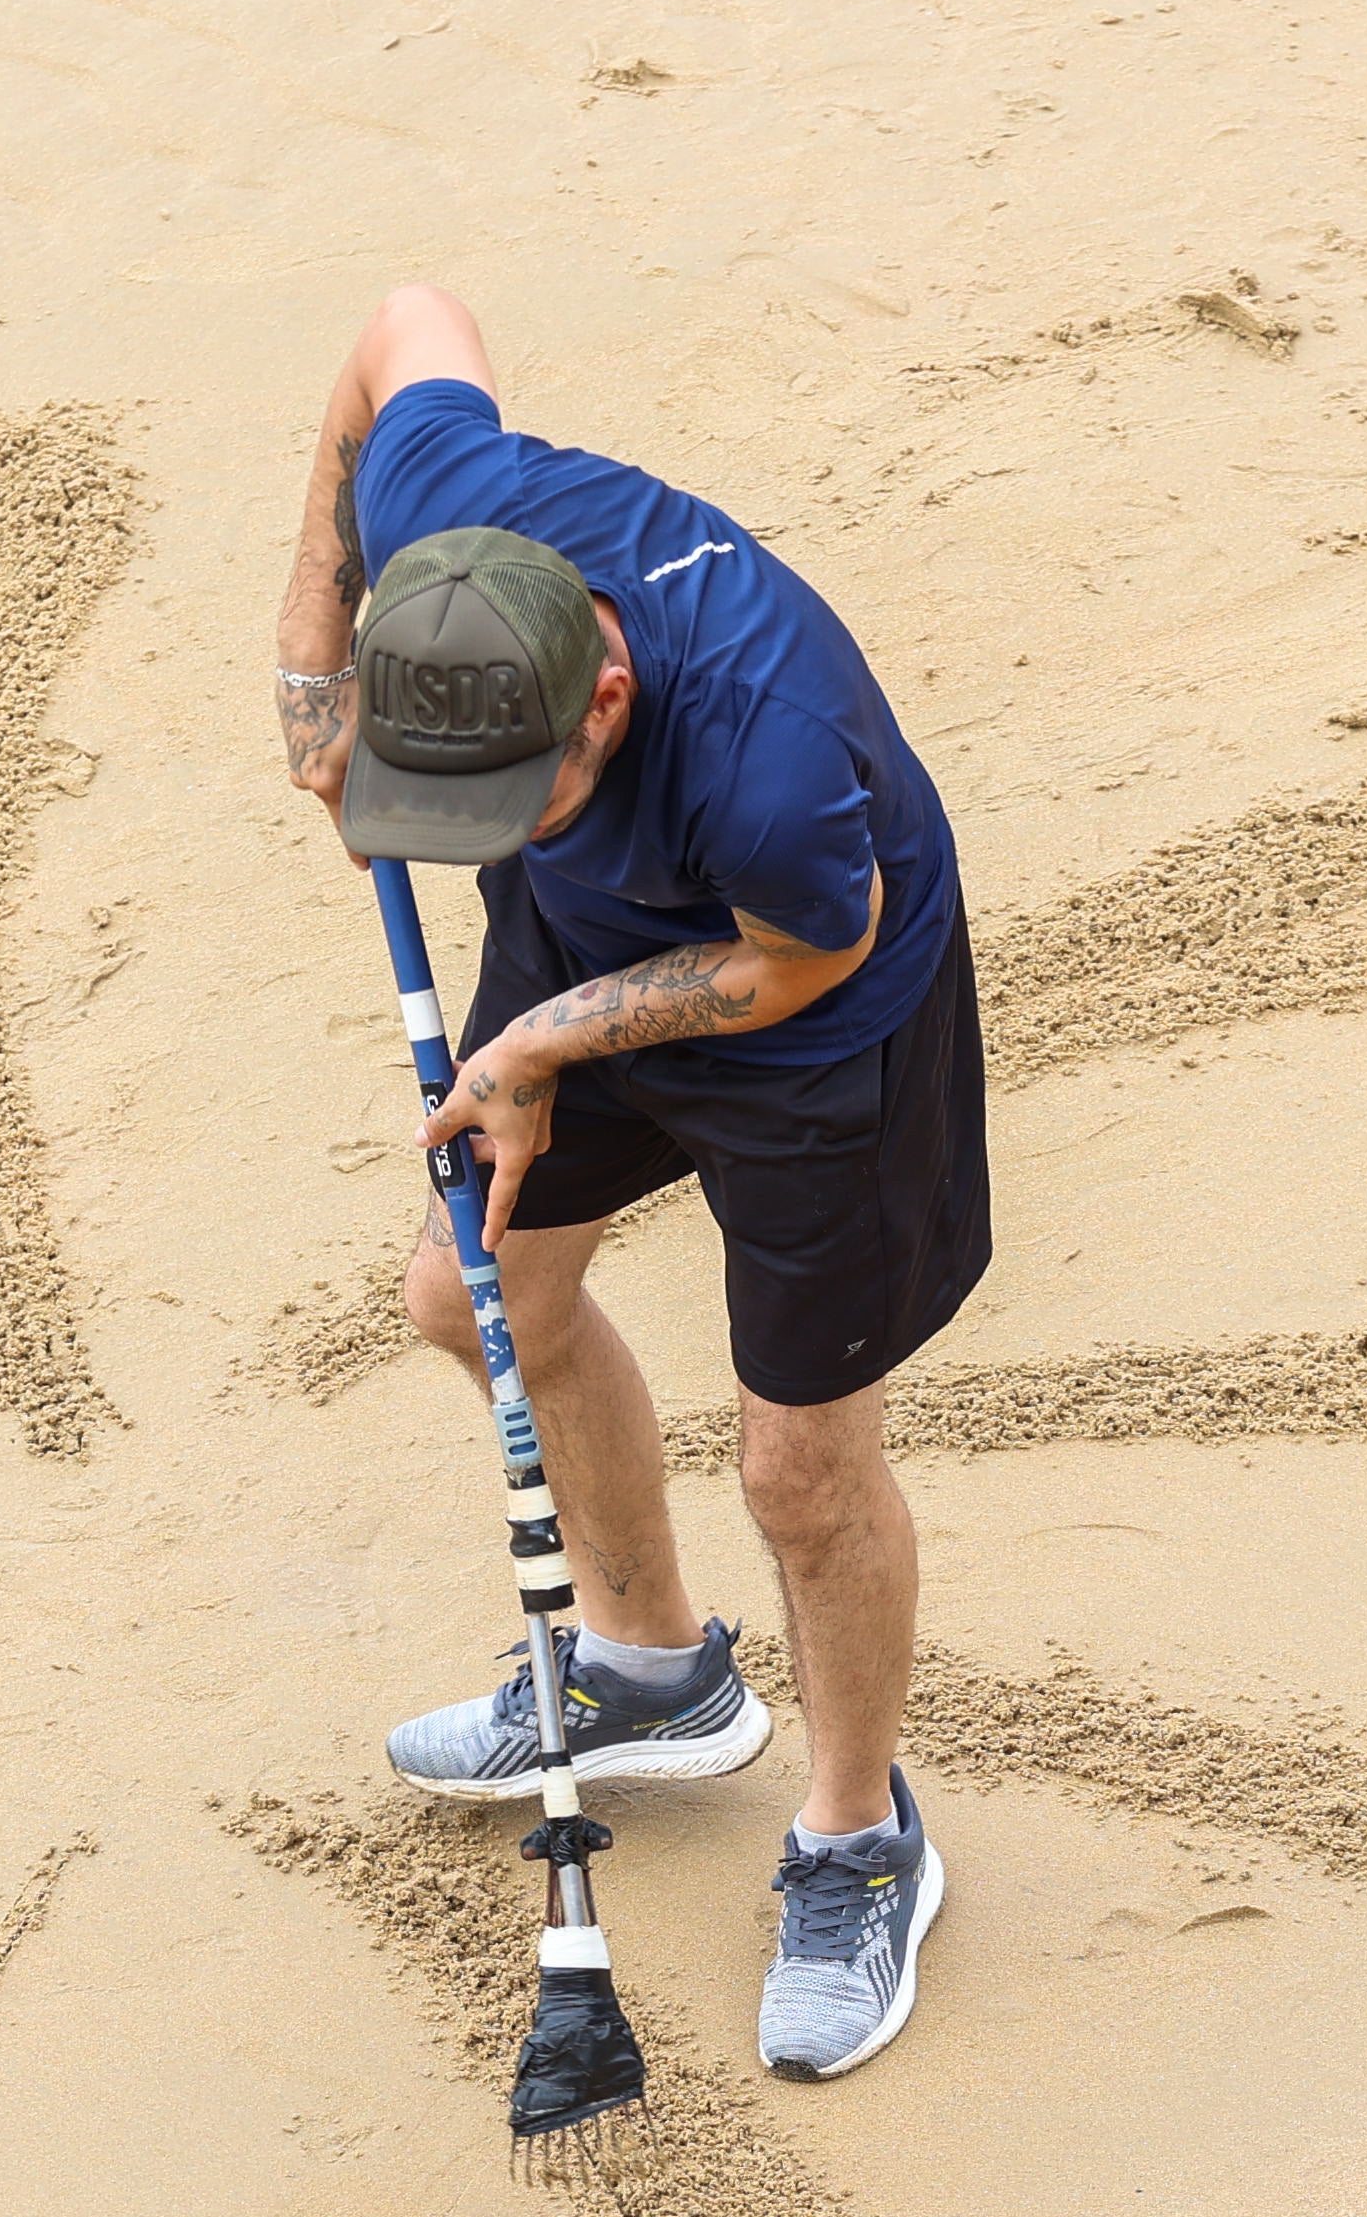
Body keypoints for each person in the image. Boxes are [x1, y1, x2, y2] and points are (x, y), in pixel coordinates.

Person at [273, 283, 988, 2081]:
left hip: (816, 1013)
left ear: (607, 685)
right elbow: (401, 325)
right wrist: (311, 639)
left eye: (526, 789)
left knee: (803, 1468)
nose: (485, 831)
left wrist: (541, 1043)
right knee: (473, 1294)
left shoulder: (759, 749)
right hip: (594, 965)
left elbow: (802, 958)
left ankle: (856, 1837)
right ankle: (655, 1669)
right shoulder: (445, 512)